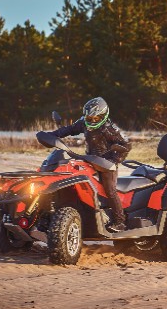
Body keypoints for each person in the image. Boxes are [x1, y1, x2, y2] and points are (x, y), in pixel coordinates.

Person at [49, 97, 131, 232]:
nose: (92, 121)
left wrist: (115, 160)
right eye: (89, 118)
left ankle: (120, 222)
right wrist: (52, 135)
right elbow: (69, 129)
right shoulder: (83, 122)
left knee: (110, 190)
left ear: (104, 116)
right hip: (90, 161)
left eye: (96, 118)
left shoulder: (110, 129)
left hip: (106, 164)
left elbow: (126, 145)